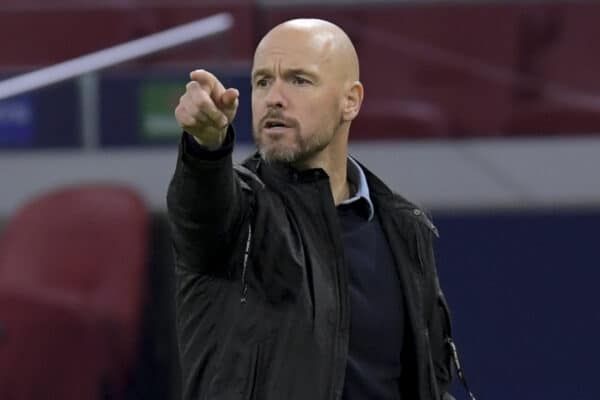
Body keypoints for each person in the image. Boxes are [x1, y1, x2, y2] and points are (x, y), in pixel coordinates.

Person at [168, 18, 460, 400]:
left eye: (299, 80)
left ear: (350, 100)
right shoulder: (241, 214)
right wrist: (207, 148)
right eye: (262, 82)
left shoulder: (404, 228)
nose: (274, 97)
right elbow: (201, 212)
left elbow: (427, 380)